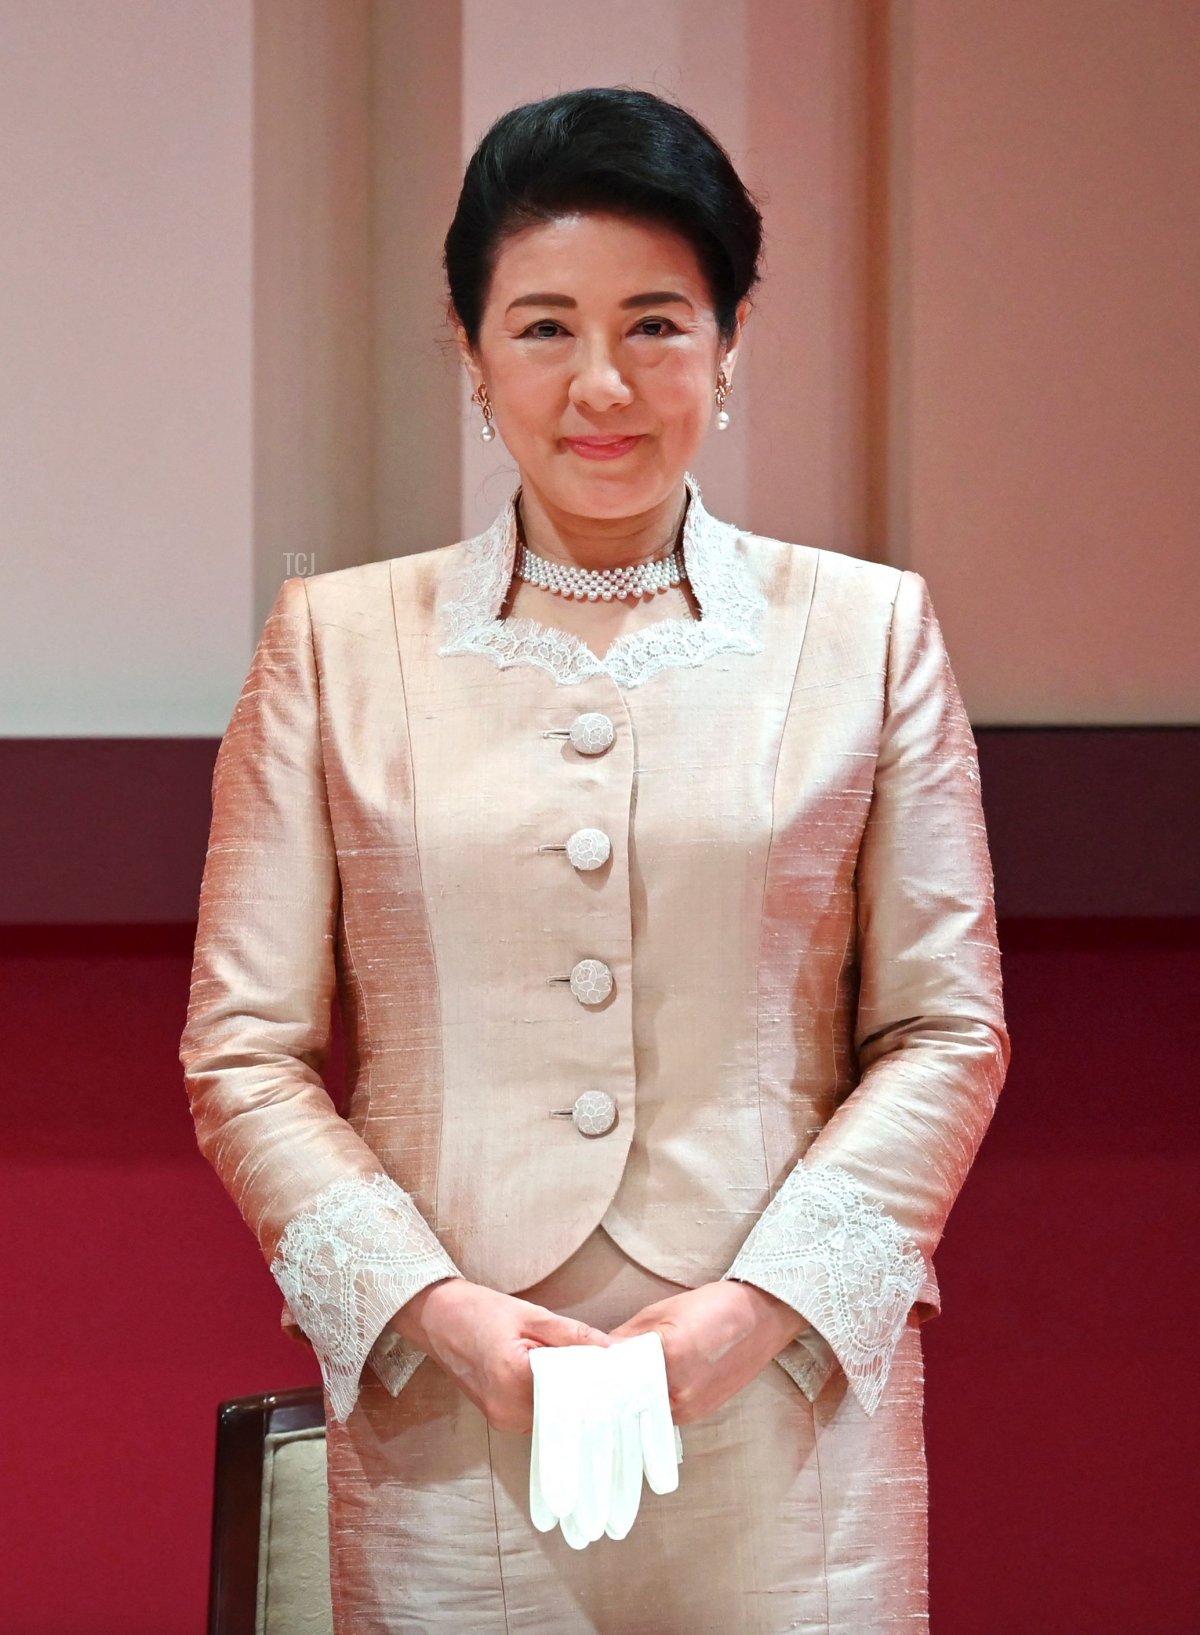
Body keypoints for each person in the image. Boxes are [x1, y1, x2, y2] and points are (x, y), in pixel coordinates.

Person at [180, 86, 1008, 1633]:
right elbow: (243, 1051)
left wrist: (756, 1315)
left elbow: (944, 1028)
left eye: (658, 324)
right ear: (471, 350)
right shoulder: (336, 644)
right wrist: (441, 1317)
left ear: (730, 338)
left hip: (789, 1417)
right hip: (450, 1421)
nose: (603, 384)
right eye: (546, 328)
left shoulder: (868, 630)